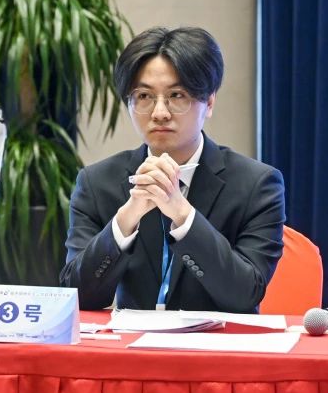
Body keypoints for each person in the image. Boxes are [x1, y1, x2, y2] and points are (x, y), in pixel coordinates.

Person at [61, 26, 285, 313]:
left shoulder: (257, 184)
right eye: (144, 96)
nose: (159, 113)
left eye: (177, 95)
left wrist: (182, 214)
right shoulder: (97, 183)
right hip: (132, 341)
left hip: (218, 340)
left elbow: (245, 295)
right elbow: (78, 297)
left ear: (209, 102)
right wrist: (126, 218)